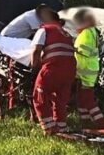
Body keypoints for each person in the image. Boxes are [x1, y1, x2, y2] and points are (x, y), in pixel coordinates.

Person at [29, 7, 77, 135]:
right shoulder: (66, 33)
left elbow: (36, 50)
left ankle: (49, 129)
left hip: (53, 68)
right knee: (60, 99)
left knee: (40, 96)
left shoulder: (44, 30)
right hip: (70, 69)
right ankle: (61, 126)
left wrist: (34, 68)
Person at [71, 8, 104, 128]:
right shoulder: (92, 32)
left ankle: (101, 123)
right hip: (88, 71)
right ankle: (85, 122)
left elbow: (82, 51)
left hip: (85, 72)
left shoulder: (86, 33)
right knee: (81, 99)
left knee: (88, 100)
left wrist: (70, 47)